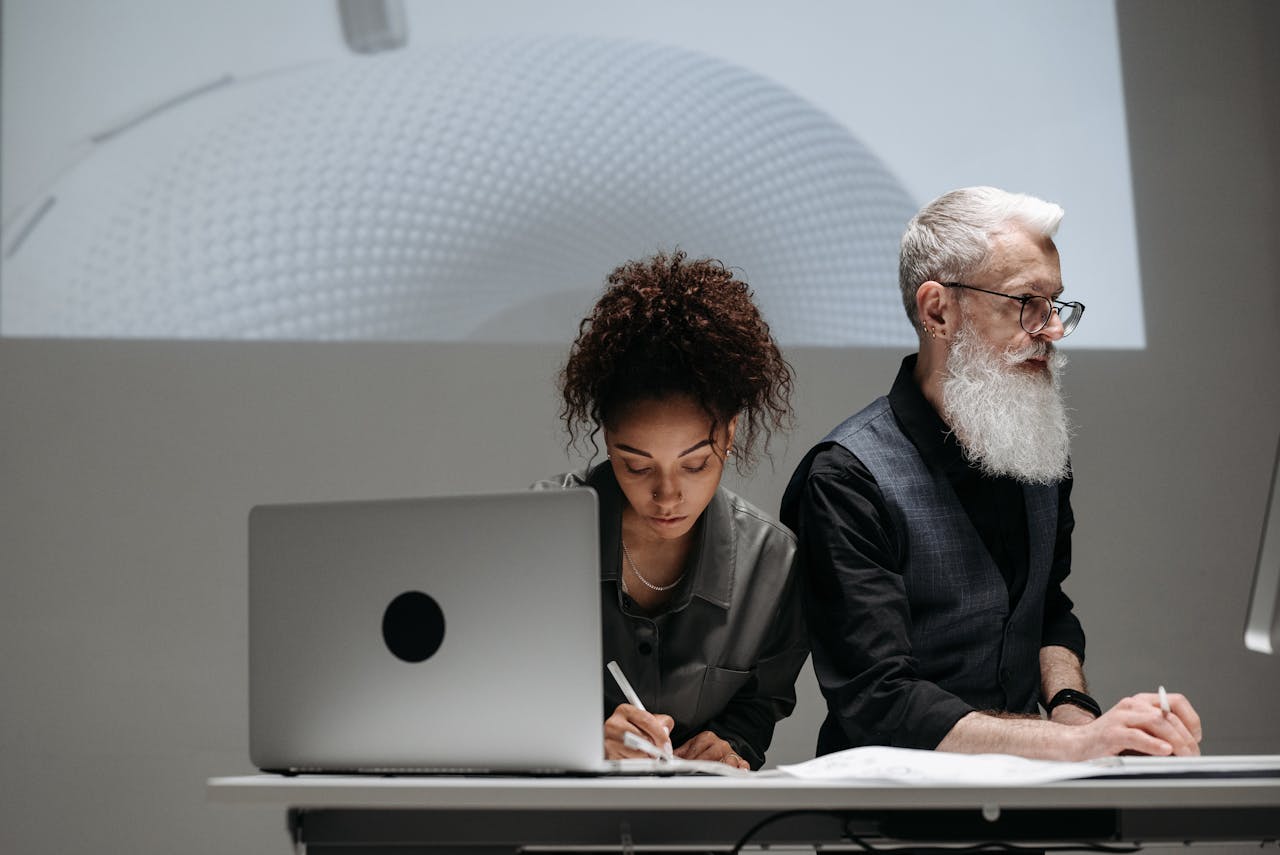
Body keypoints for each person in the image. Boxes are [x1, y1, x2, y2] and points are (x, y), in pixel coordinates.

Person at [781, 187, 1203, 761]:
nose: (1051, 329)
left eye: (1056, 303)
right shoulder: (847, 477)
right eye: (1027, 301)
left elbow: (1046, 609)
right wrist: (1076, 743)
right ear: (937, 310)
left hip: (1025, 805)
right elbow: (881, 701)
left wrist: (1078, 711)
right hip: (888, 823)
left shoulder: (1034, 443)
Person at [536, 250, 808, 770]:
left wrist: (731, 744)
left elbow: (761, 704)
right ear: (607, 438)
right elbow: (492, 695)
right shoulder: (537, 534)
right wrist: (585, 739)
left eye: (694, 464)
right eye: (636, 466)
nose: (666, 496)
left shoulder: (771, 563)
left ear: (729, 434)